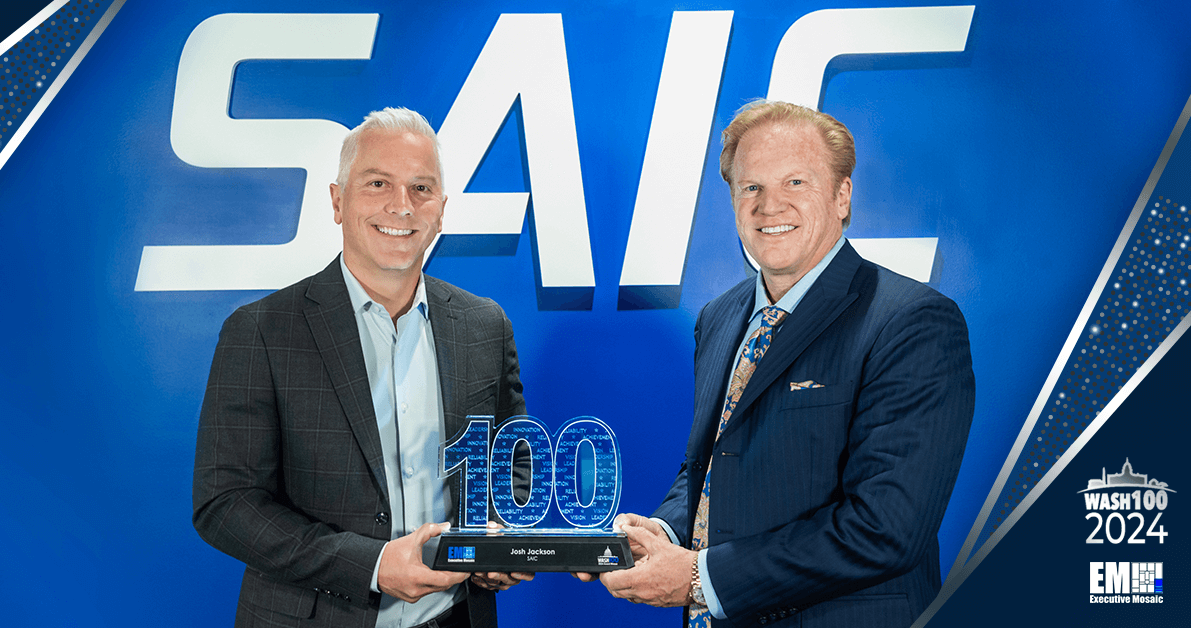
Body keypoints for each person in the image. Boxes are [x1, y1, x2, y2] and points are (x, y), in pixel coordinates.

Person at [590, 100, 975, 628]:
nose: (770, 207)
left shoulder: (913, 322)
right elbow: (714, 467)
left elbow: (885, 528)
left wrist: (701, 579)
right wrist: (666, 534)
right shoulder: (721, 317)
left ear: (842, 196)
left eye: (795, 183)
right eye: (752, 188)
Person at [193, 107, 531, 628]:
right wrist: (371, 565)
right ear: (337, 201)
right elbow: (226, 504)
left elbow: (513, 466)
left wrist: (497, 542)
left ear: (441, 210)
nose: (402, 206)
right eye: (378, 183)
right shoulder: (261, 331)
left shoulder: (485, 325)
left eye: (421, 188)